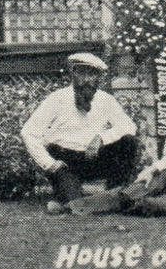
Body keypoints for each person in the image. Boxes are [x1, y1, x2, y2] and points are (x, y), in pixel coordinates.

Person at [21, 52, 140, 212]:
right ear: (73, 74)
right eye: (81, 73)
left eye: (92, 75)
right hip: (65, 161)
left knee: (128, 141)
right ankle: (81, 201)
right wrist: (49, 164)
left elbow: (129, 126)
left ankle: (115, 193)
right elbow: (28, 132)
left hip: (94, 158)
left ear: (99, 78)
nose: (86, 80)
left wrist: (101, 138)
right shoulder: (57, 98)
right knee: (75, 203)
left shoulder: (105, 100)